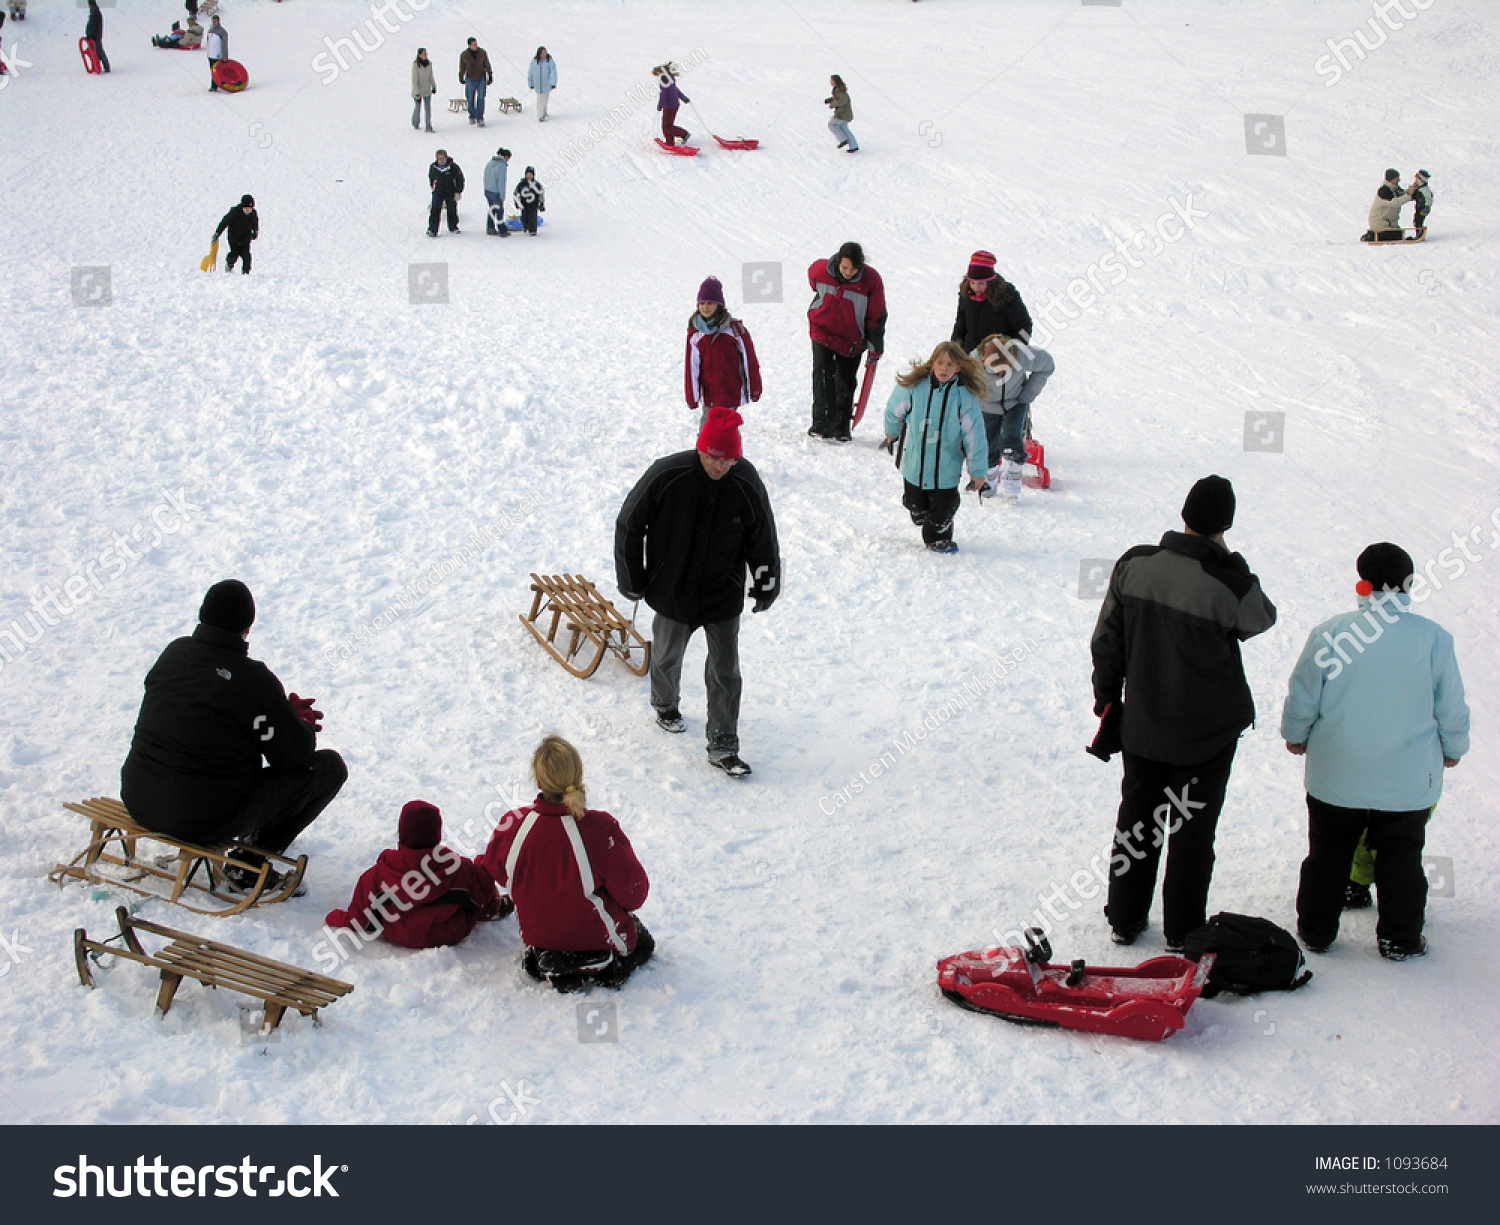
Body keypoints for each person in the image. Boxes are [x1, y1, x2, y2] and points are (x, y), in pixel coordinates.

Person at [1090, 476, 1277, 951]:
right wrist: (1230, 560)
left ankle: (1126, 917)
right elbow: (1261, 617)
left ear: (1184, 515)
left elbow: (1107, 640)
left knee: (1137, 820)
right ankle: (1183, 930)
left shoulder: (1134, 564)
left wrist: (1108, 699)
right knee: (1193, 833)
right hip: (1207, 735)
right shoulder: (1224, 581)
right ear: (1224, 526)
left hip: (1143, 725)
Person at [1282, 544, 1468, 961]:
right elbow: (1450, 706)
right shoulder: (1434, 639)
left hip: (1336, 775)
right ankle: (1399, 938)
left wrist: (1296, 733)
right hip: (1406, 781)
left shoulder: (1329, 634)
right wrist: (1455, 746)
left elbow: (1303, 696)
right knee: (1402, 855)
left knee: (1328, 850)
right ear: (1409, 584)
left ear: (1361, 583)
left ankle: (1316, 930)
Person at [120, 580, 347, 891]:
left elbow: (212, 707)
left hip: (140, 797)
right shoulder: (251, 681)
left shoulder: (174, 654)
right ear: (247, 628)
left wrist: (276, 713)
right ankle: (250, 864)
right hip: (202, 818)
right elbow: (292, 756)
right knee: (328, 768)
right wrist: (299, 721)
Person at [615, 408, 781, 777]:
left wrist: (766, 583)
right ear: (700, 448)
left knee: (725, 671)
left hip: (723, 592)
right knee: (667, 654)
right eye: (713, 457)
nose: (720, 466)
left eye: (728, 459)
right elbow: (630, 523)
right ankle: (665, 704)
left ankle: (723, 744)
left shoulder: (746, 481)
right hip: (672, 588)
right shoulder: (667, 474)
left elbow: (763, 537)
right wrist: (633, 578)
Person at [479, 736, 653, 992]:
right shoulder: (601, 828)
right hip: (595, 932)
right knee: (644, 942)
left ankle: (548, 959)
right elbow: (634, 894)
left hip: (540, 933)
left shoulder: (514, 825)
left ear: (538, 781)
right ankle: (608, 968)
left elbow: (498, 872)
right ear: (578, 776)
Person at [326, 801, 510, 950]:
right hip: (450, 932)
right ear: (437, 835)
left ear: (402, 833)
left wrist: (335, 917)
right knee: (476, 884)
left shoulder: (376, 876)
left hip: (397, 933)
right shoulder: (460, 869)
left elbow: (360, 921)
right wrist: (491, 904)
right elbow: (484, 899)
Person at [882, 342, 988, 554]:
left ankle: (938, 537)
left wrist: (977, 472)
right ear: (932, 364)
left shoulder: (963, 397)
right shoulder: (914, 387)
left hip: (946, 469)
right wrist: (892, 431)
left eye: (950, 364)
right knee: (915, 503)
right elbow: (894, 410)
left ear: (958, 368)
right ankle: (919, 512)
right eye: (940, 363)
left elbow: (974, 436)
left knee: (944, 509)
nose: (944, 369)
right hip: (915, 465)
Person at [806, 241, 887, 441]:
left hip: (851, 339)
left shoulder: (871, 281)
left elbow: (876, 315)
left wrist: (875, 347)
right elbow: (813, 279)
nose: (848, 272)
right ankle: (820, 422)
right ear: (837, 262)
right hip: (822, 331)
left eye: (853, 268)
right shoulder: (820, 270)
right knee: (822, 375)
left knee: (845, 380)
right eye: (844, 267)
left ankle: (841, 426)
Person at [972, 332, 1053, 501]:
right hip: (987, 405)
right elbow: (961, 382)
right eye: (995, 370)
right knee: (987, 444)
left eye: (1005, 369)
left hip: (1016, 402)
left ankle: (1013, 478)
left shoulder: (1022, 354)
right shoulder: (973, 362)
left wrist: (1027, 395)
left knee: (1011, 439)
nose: (1000, 374)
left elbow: (1047, 365)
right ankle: (989, 478)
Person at [685, 276, 762, 429]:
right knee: (707, 432)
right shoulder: (696, 334)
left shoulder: (734, 330)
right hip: (709, 394)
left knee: (728, 432)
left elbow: (749, 360)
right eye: (702, 303)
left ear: (719, 305)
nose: (705, 307)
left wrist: (754, 388)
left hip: (730, 393)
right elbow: (691, 367)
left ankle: (734, 453)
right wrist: (692, 397)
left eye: (710, 303)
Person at [951, 250, 1033, 348]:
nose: (976, 288)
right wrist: (955, 347)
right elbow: (960, 324)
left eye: (981, 283)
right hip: (970, 356)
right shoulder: (966, 295)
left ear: (990, 282)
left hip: (998, 356)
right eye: (972, 283)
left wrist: (1011, 350)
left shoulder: (1007, 296)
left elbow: (1023, 326)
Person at [1362, 168, 1414, 242]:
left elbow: (1401, 194)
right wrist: (1409, 195)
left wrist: (1411, 190)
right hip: (1381, 223)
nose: (1399, 180)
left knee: (1397, 235)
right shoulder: (1384, 190)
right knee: (1389, 237)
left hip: (1390, 224)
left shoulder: (1394, 188)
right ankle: (1371, 236)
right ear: (1391, 179)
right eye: (1397, 178)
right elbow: (1394, 203)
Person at [213, 194, 258, 274]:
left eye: (250, 209)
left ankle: (246, 272)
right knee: (234, 253)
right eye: (246, 209)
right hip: (234, 237)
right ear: (242, 207)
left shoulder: (253, 214)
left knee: (246, 256)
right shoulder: (234, 212)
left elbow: (255, 224)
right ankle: (229, 266)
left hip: (245, 237)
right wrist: (217, 233)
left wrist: (255, 232)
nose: (248, 211)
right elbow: (224, 223)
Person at [427, 149, 463, 237]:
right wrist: (433, 186)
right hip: (438, 192)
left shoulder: (453, 167)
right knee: (435, 210)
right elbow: (431, 177)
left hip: (450, 191)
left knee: (452, 209)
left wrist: (458, 191)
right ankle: (432, 229)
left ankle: (453, 226)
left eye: (443, 158)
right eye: (439, 159)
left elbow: (460, 179)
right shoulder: (433, 167)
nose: (441, 161)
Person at [459, 36, 492, 127]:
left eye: (476, 44)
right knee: (470, 98)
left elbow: (487, 64)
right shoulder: (464, 55)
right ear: (469, 45)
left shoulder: (482, 52)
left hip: (481, 77)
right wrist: (461, 77)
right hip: (470, 78)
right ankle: (472, 115)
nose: (475, 46)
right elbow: (462, 67)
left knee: (481, 97)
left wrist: (490, 75)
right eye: (473, 44)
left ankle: (480, 117)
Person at [655, 62, 690, 146]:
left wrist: (660, 106)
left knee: (666, 127)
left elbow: (664, 96)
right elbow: (676, 91)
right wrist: (684, 98)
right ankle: (669, 142)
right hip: (675, 105)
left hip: (669, 107)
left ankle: (684, 134)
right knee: (668, 125)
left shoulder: (664, 83)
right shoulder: (671, 81)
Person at [483, 146, 512, 236]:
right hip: (496, 192)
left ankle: (490, 227)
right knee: (499, 211)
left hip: (488, 190)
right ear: (505, 157)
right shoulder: (502, 166)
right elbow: (501, 181)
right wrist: (502, 196)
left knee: (492, 209)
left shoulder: (490, 163)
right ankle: (502, 230)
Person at [825, 74, 857, 152]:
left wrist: (832, 104)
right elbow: (838, 98)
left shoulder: (839, 90)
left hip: (842, 114)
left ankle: (843, 140)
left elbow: (842, 100)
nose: (830, 82)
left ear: (836, 81)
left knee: (831, 124)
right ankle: (854, 146)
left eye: (832, 80)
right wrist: (830, 100)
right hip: (845, 114)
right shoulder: (838, 89)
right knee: (844, 129)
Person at [527, 46, 556, 122]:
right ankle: (540, 116)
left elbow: (553, 72)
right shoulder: (534, 62)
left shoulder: (549, 61)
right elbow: (530, 73)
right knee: (540, 100)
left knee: (545, 99)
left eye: (545, 52)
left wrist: (553, 83)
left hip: (547, 85)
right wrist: (531, 83)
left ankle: (544, 112)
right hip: (538, 86)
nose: (544, 54)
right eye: (542, 53)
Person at [513, 165, 544, 236]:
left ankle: (533, 230)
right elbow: (516, 193)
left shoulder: (537, 185)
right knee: (524, 217)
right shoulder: (521, 184)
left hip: (533, 205)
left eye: (531, 175)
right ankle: (525, 226)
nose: (529, 176)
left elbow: (541, 194)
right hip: (524, 204)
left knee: (532, 217)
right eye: (527, 175)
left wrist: (541, 204)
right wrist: (516, 202)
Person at [411, 47, 435, 133]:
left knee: (428, 108)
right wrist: (417, 92)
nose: (426, 55)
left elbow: (430, 76)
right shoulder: (415, 66)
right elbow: (414, 80)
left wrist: (433, 86)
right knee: (418, 107)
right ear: (419, 55)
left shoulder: (429, 64)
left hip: (426, 90)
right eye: (424, 54)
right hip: (418, 90)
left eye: (426, 53)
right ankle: (415, 122)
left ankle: (428, 126)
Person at [84, 1, 110, 73]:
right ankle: (98, 66)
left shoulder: (95, 13)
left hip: (95, 36)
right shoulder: (94, 11)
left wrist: (90, 34)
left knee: (99, 51)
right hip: (94, 35)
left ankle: (106, 66)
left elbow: (93, 25)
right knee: (95, 51)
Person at [1411, 169, 1433, 240]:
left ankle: (1420, 233)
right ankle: (1419, 233)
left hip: (1423, 208)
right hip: (1419, 207)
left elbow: (1429, 199)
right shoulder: (1419, 188)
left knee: (1418, 220)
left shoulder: (1425, 189)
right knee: (1416, 220)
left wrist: (1427, 207)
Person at [205, 16, 226, 91]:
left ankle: (215, 85)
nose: (214, 22)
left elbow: (224, 45)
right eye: (213, 21)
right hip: (210, 54)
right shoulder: (210, 31)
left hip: (217, 55)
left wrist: (224, 56)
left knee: (217, 71)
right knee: (212, 70)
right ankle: (214, 84)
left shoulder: (222, 32)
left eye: (215, 21)